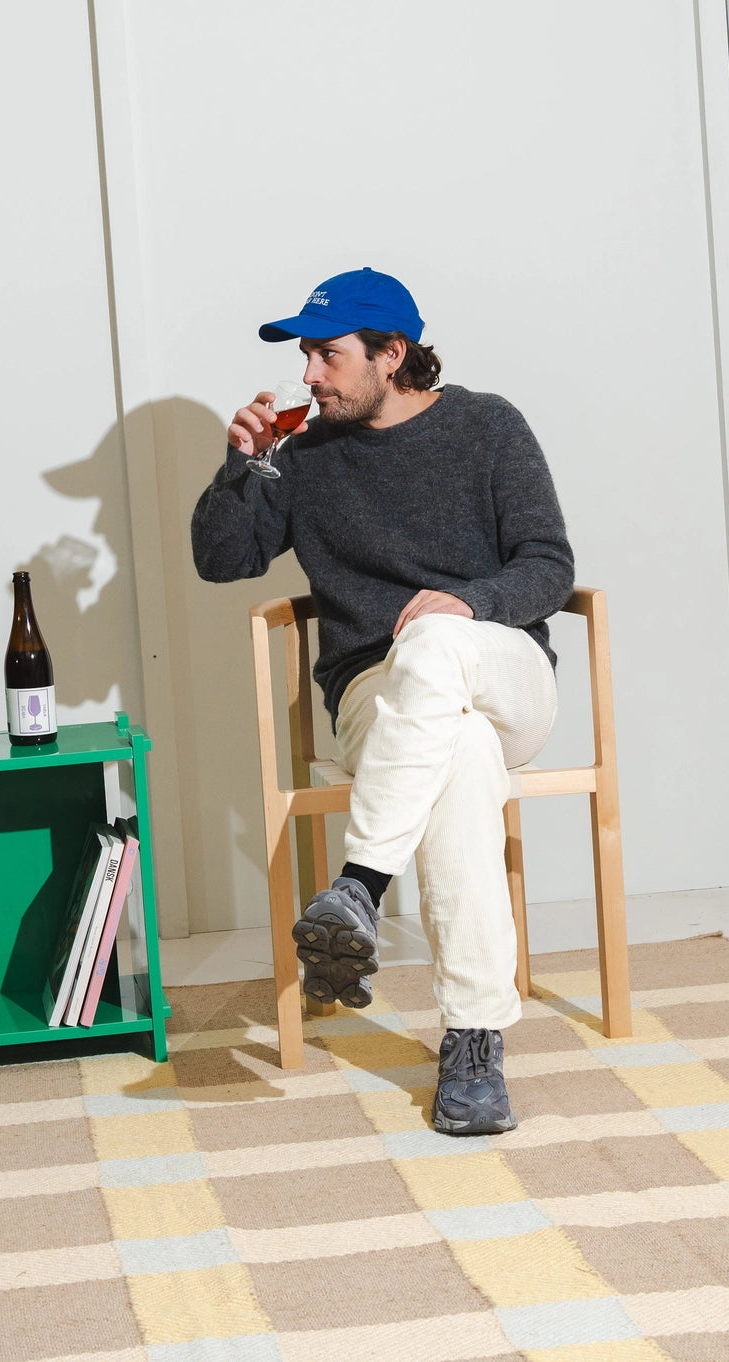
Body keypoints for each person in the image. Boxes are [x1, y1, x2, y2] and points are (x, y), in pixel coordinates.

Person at [191, 268, 574, 1135]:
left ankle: (359, 884)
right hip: (378, 694)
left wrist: (468, 604)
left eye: (327, 356)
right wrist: (238, 469)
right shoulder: (304, 455)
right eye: (306, 358)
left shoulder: (488, 426)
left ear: (391, 356)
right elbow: (223, 560)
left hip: (501, 666)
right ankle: (475, 1042)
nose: (310, 376)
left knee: (438, 646)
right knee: (462, 759)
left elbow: (549, 564)